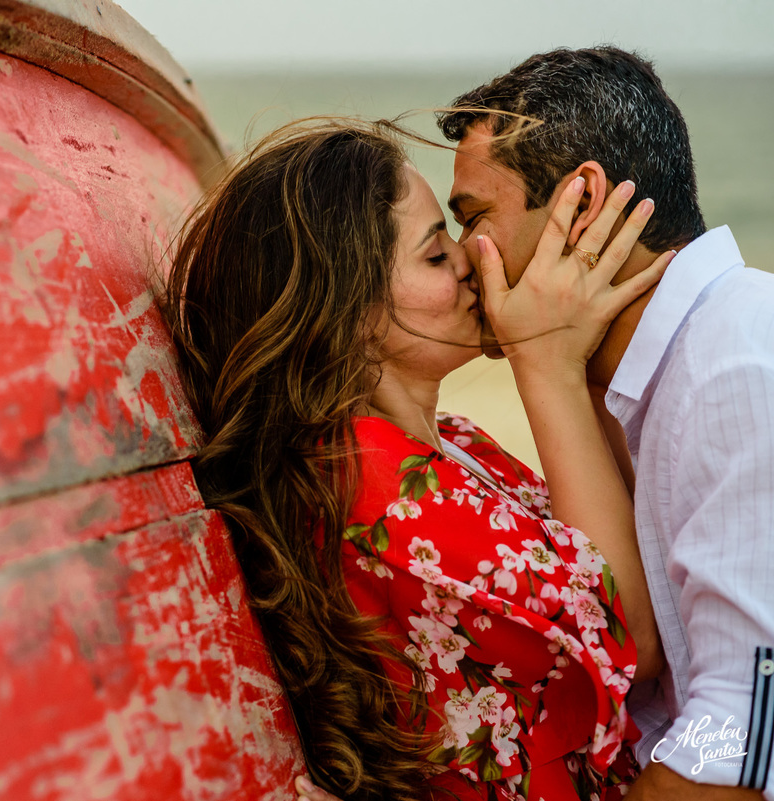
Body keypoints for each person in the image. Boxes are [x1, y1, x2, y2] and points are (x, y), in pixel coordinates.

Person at [299, 46, 774, 801]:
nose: (463, 258)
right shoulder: (645, 379)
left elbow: (740, 736)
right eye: (438, 246)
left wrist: (547, 356)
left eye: (474, 218)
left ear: (578, 205)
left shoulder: (735, 366)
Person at [162, 116, 670, 800]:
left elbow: (623, 553)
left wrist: (582, 361)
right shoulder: (372, 488)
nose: (472, 257)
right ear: (347, 316)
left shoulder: (446, 440)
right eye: (436, 256)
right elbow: (632, 636)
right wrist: (547, 362)